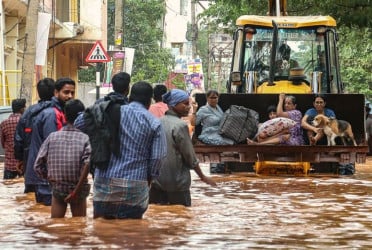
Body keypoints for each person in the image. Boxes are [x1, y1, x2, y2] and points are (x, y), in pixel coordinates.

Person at [93, 81, 167, 219]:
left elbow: (81, 122)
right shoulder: (154, 122)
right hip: (135, 185)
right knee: (133, 233)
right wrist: (148, 180)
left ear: (130, 96)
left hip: (104, 182)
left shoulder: (110, 111)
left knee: (101, 232)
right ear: (149, 100)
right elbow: (158, 158)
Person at [149, 89, 217, 207]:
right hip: (177, 184)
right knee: (182, 217)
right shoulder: (180, 126)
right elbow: (190, 157)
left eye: (189, 104)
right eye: (185, 104)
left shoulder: (157, 122)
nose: (188, 107)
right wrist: (202, 177)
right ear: (174, 105)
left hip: (157, 183)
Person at [34, 99, 90, 218]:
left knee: (56, 227)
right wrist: (76, 190)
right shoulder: (85, 138)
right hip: (78, 189)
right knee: (79, 228)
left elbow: (37, 165)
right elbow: (87, 164)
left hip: (58, 187)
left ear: (64, 115)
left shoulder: (52, 137)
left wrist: (51, 179)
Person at [25, 77, 75, 206]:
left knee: (48, 217)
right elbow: (53, 146)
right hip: (46, 177)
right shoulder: (52, 114)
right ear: (56, 93)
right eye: (66, 92)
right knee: (50, 213)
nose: (70, 96)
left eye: (72, 93)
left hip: (46, 176)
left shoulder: (57, 111)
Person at [14, 78, 55, 191]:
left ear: (38, 92)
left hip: (30, 164)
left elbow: (19, 139)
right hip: (53, 165)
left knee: (32, 198)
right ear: (55, 92)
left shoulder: (28, 112)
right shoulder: (58, 111)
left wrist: (20, 159)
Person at [1, 99, 26, 179]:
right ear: (22, 109)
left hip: (9, 164)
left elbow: (2, 143)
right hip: (23, 164)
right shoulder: (26, 122)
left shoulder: (4, 123)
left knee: (7, 186)